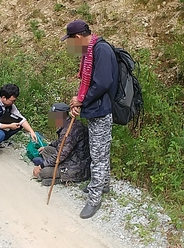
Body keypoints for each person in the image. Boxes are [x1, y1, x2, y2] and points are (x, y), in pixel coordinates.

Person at [60, 19, 118, 219]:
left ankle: (94, 200)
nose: (71, 45)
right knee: (101, 150)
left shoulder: (101, 50)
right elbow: (90, 82)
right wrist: (80, 102)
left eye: (71, 41)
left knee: (98, 156)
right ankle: (104, 185)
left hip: (101, 111)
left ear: (78, 37)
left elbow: (102, 83)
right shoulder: (91, 50)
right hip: (95, 109)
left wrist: (81, 100)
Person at [32, 103, 90, 186]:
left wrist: (41, 166)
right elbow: (60, 142)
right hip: (70, 157)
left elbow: (60, 155)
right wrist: (48, 146)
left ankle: (62, 179)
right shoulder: (67, 124)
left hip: (76, 167)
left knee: (43, 173)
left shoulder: (70, 130)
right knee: (46, 150)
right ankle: (51, 166)